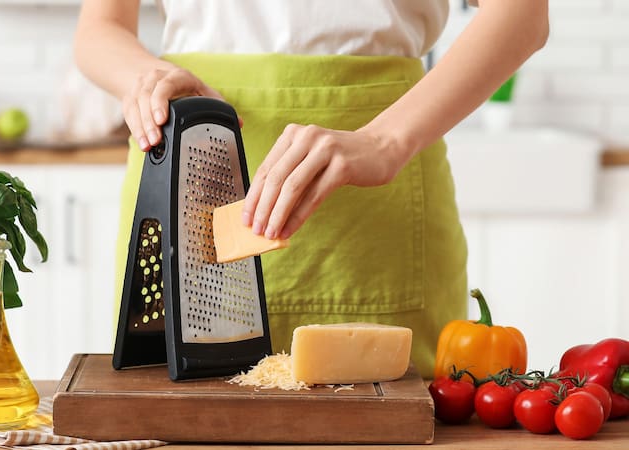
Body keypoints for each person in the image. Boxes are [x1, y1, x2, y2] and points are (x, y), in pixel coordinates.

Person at [74, 0, 549, 377]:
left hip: (382, 181)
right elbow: (100, 27)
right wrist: (144, 78)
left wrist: (384, 141)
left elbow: (522, 13)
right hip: (187, 167)